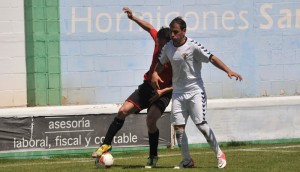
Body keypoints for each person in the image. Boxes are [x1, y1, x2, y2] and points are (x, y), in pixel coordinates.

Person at [151, 17, 243, 169]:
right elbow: (160, 64)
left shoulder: (193, 46)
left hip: (195, 91)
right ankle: (187, 160)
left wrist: (228, 70)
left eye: (176, 32)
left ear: (184, 31)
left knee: (201, 124)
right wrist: (155, 73)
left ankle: (220, 154)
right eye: (171, 32)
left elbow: (212, 58)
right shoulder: (168, 47)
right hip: (178, 93)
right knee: (179, 129)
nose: (172, 35)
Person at [92, 7, 173, 168]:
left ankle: (153, 156)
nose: (159, 46)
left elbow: (180, 82)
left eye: (162, 44)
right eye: (158, 42)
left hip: (163, 93)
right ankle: (106, 144)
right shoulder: (158, 39)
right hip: (147, 87)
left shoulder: (175, 55)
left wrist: (162, 92)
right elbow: (149, 27)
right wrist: (133, 18)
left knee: (151, 121)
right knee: (122, 111)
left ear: (169, 43)